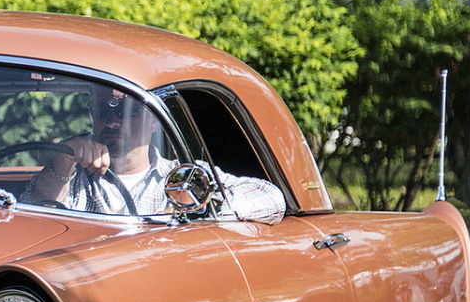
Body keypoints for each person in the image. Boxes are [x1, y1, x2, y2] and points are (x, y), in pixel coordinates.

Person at [22, 90, 286, 221]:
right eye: (103, 113)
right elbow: (29, 221)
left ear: (153, 122)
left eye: (129, 112)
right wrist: (63, 160)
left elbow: (272, 197)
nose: (113, 123)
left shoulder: (183, 176)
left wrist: (199, 203)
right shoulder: (71, 177)